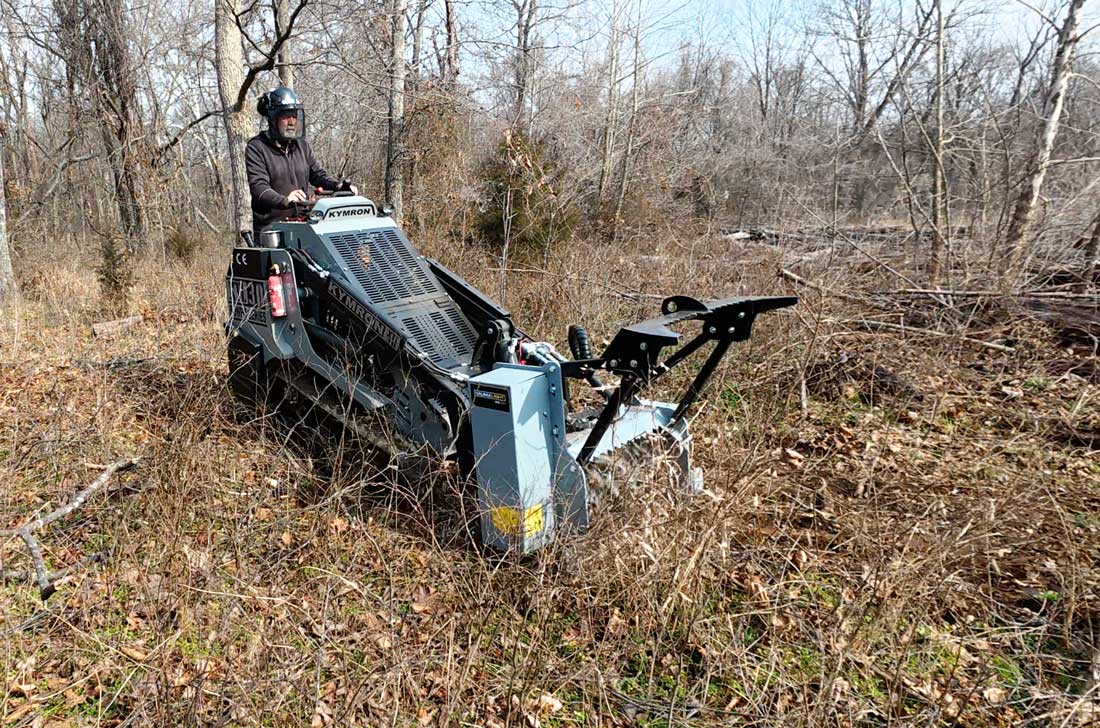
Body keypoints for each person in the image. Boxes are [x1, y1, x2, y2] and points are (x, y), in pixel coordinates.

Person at [245, 86, 357, 238]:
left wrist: (338, 185)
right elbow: (259, 188)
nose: (292, 121)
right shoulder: (257, 147)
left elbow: (318, 175)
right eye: (286, 116)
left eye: (294, 116)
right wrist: (285, 200)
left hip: (303, 224)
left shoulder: (301, 146)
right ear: (273, 119)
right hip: (272, 231)